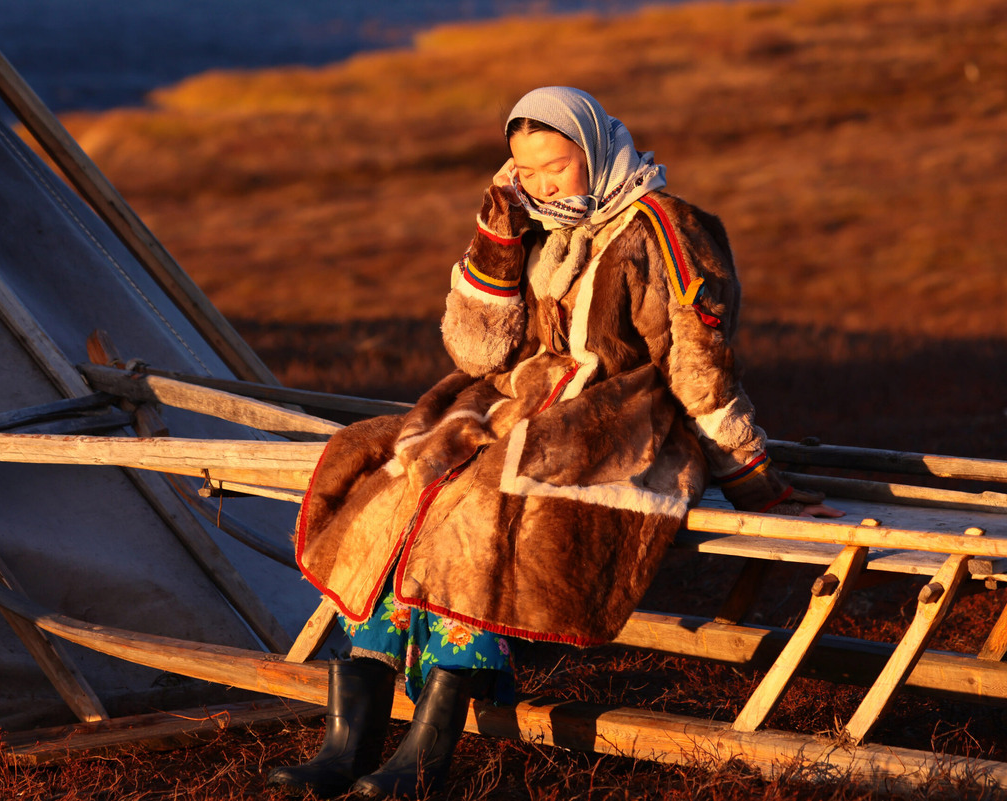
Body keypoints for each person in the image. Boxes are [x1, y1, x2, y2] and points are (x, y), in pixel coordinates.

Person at [267, 86, 842, 799]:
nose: (542, 186)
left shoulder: (667, 228)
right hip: (520, 410)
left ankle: (420, 762)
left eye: (556, 169)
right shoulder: (536, 225)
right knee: (399, 485)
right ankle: (346, 748)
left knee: (477, 511)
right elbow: (478, 353)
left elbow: (698, 366)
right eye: (526, 172)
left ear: (595, 152)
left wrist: (750, 473)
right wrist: (497, 241)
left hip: (618, 430)